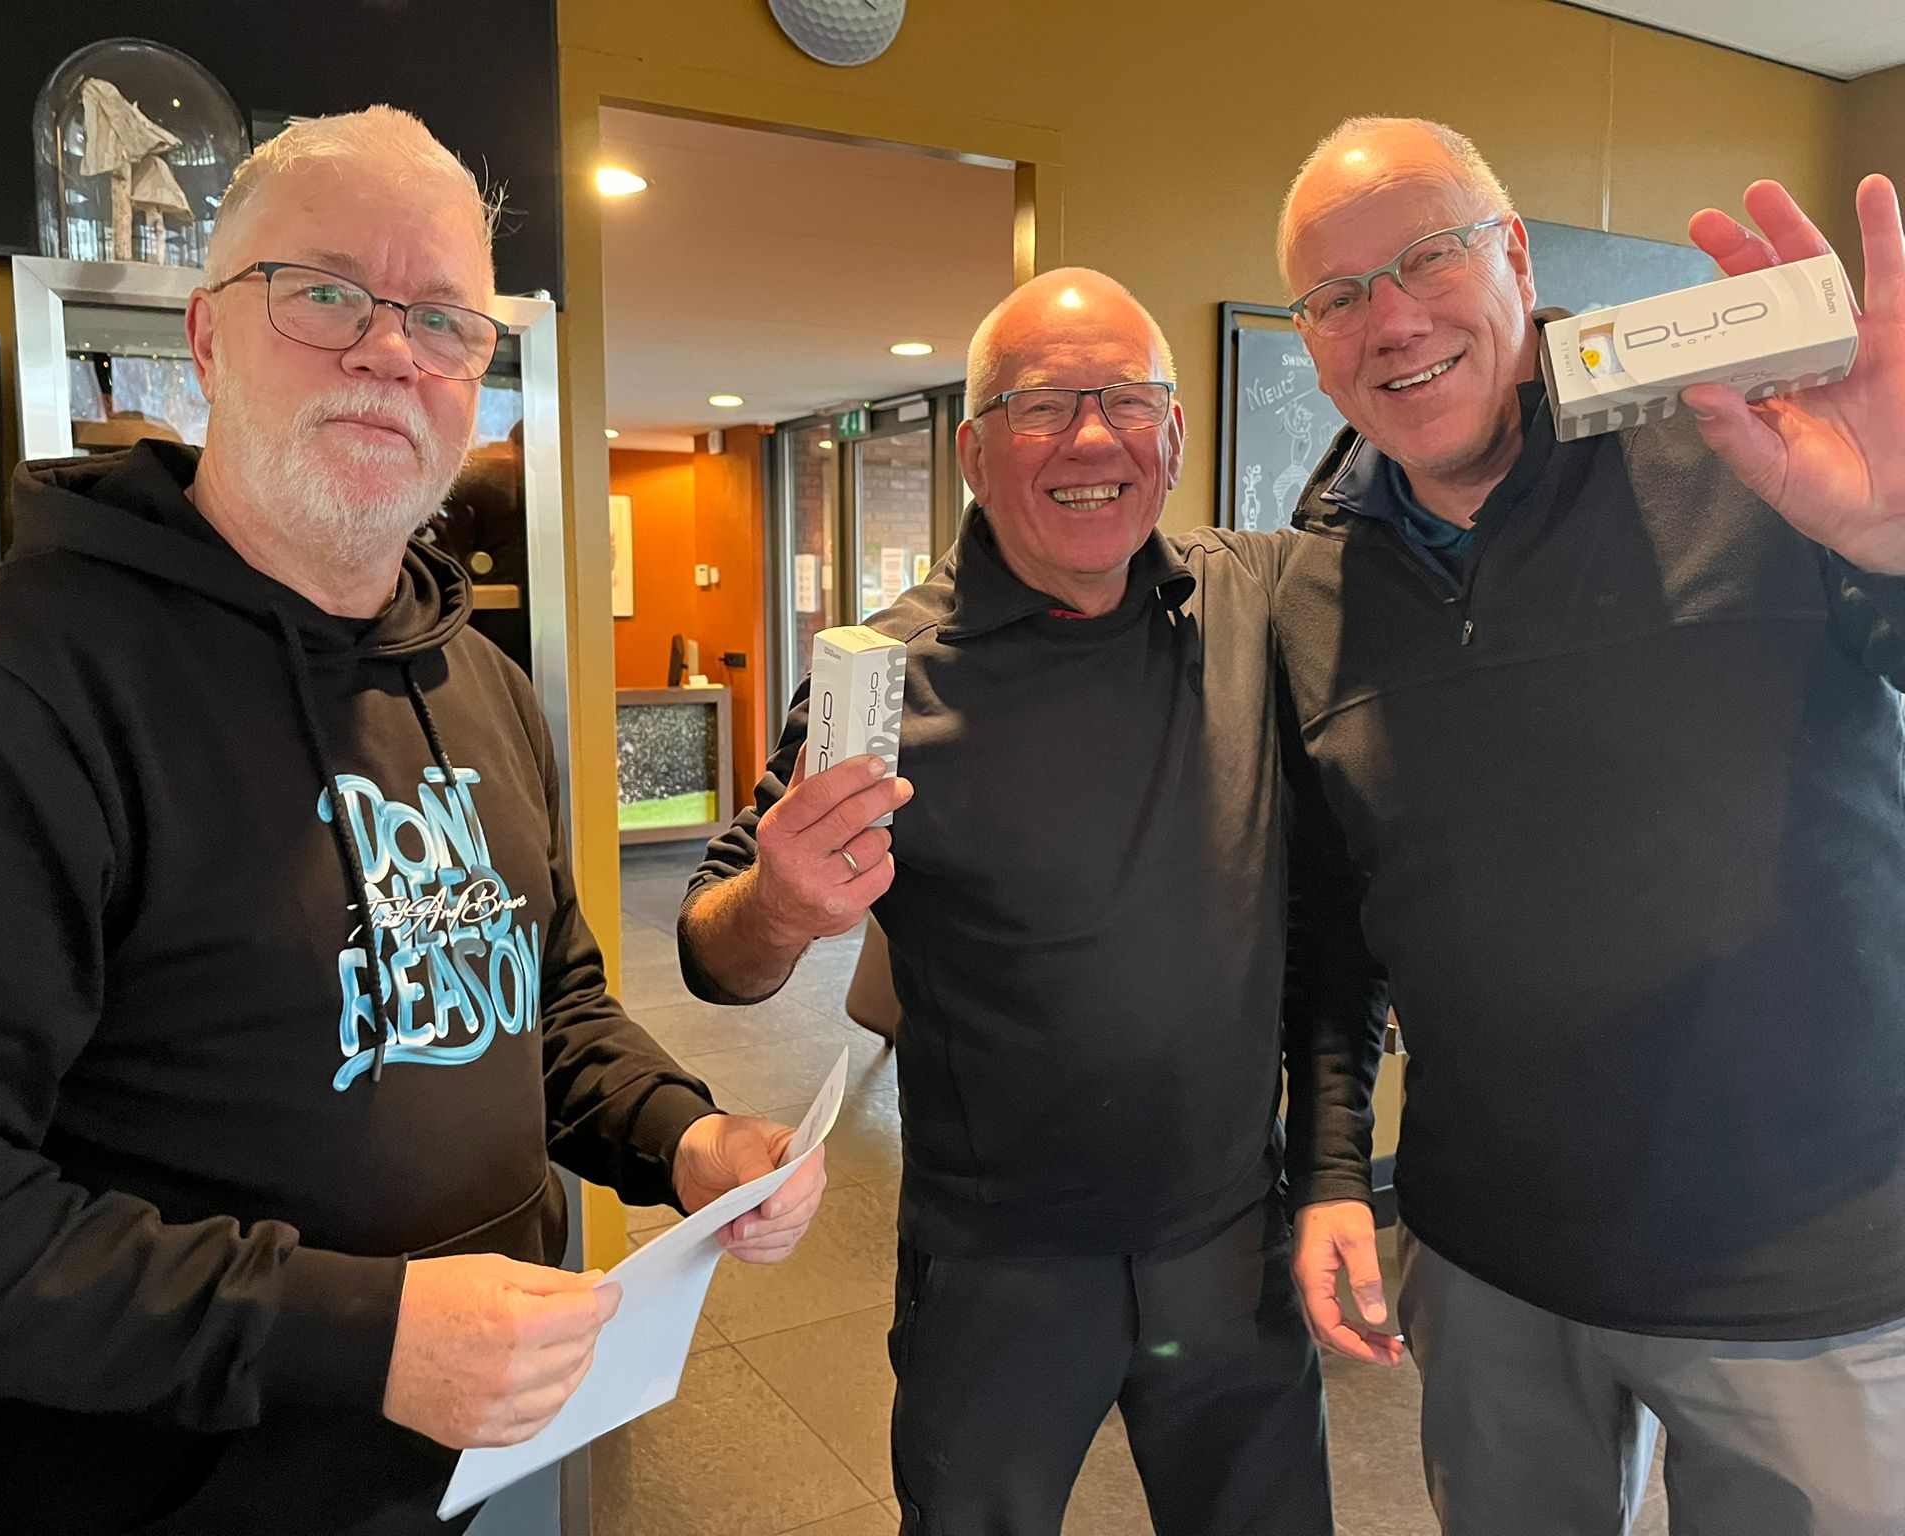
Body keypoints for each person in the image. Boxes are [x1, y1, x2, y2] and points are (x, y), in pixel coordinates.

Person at [0, 107, 824, 1536]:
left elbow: (543, 1004)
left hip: (464, 1485)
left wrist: (684, 1137)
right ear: (204, 336)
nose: (390, 351)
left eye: (443, 319)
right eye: (324, 293)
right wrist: (361, 1336)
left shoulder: (481, 683)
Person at [679, 267, 1388, 1536]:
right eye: (1043, 405)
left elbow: (1331, 921)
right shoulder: (891, 677)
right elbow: (713, 953)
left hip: (1227, 1246)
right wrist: (780, 909)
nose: (1092, 438)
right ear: (971, 450)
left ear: (1174, 433)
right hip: (996, 1270)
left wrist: (1330, 1170)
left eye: (1127, 400)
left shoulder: (1254, 604)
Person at [1274, 116, 1905, 1535]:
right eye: (1336, 294)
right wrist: (1330, 1169)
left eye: (1425, 258)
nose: (1390, 319)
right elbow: (1338, 917)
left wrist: (1895, 542)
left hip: (1800, 1262)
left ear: (1513, 254)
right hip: (1491, 1266)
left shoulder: (1746, 444)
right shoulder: (1318, 589)